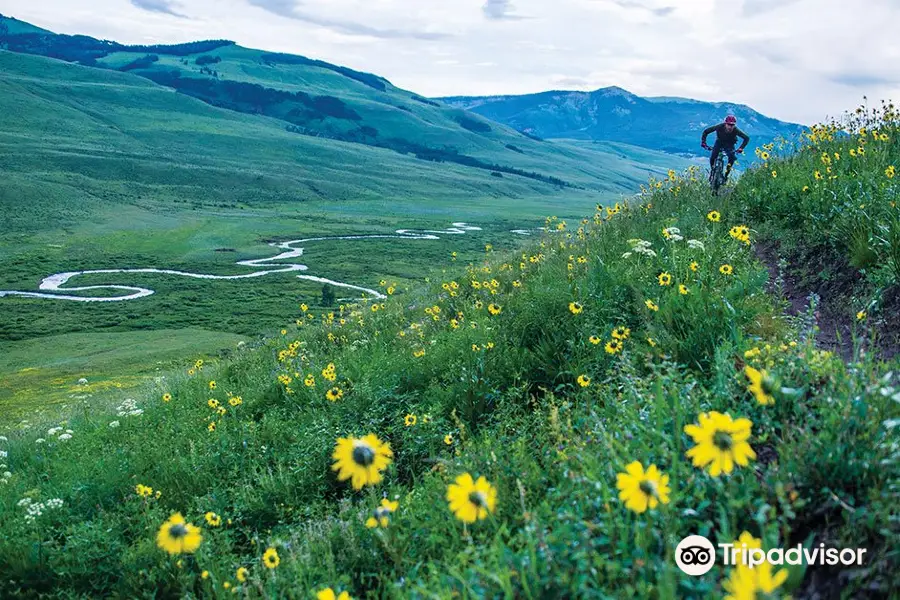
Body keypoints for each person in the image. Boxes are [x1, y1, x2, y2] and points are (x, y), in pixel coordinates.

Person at [701, 115, 750, 180]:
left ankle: (726, 176)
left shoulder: (735, 130)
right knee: (713, 157)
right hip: (719, 142)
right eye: (729, 124)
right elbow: (706, 131)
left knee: (731, 158)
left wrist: (741, 148)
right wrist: (703, 142)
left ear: (734, 125)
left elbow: (746, 138)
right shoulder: (719, 126)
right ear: (725, 123)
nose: (730, 126)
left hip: (730, 144)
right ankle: (712, 172)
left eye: (732, 125)